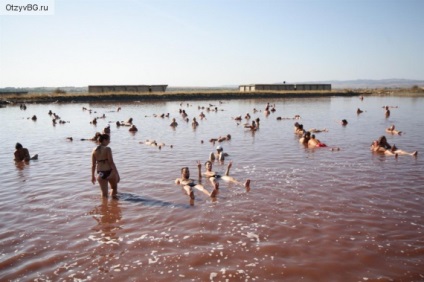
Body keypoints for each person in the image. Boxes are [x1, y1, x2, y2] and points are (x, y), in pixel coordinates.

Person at [91, 134, 120, 198]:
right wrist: (116, 173)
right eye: (109, 140)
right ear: (104, 140)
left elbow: (93, 165)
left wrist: (92, 176)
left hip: (100, 173)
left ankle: (104, 206)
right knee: (114, 189)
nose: (109, 142)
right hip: (110, 172)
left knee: (104, 194)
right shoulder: (107, 149)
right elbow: (111, 162)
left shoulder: (94, 150)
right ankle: (114, 205)